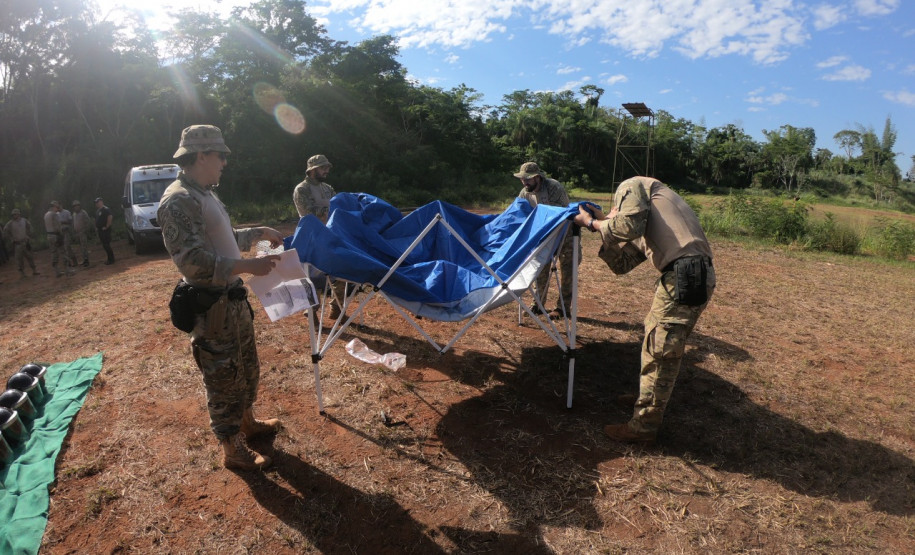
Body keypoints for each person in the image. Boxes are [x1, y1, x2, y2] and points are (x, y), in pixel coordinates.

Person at [158, 124, 284, 472]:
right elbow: (192, 261)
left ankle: (248, 423)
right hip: (212, 306)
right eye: (221, 155)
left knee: (245, 367)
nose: (225, 162)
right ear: (201, 155)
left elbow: (222, 238)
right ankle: (232, 448)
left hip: (232, 300)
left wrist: (258, 233)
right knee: (223, 378)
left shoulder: (204, 193)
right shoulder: (178, 199)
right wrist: (249, 266)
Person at [572, 176, 715, 444]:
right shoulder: (654, 213)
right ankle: (647, 399)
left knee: (660, 353)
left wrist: (592, 223)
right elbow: (623, 264)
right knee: (656, 347)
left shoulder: (633, 185)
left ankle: (644, 427)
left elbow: (626, 226)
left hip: (685, 274)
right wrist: (604, 227)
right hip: (688, 273)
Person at [514, 162, 579, 316]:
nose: (524, 182)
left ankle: (562, 308)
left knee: (568, 271)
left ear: (537, 177)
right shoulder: (525, 193)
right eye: (522, 179)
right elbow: (519, 213)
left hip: (565, 233)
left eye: (527, 179)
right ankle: (538, 305)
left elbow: (559, 214)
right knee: (540, 270)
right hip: (543, 235)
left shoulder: (553, 187)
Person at [293, 154, 345, 319]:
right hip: (311, 238)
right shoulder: (302, 189)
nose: (326, 170)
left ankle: (337, 308)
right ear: (312, 170)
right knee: (312, 277)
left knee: (342, 272)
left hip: (330, 235)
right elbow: (309, 213)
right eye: (323, 167)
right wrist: (332, 211)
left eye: (327, 167)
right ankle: (311, 313)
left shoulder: (328, 188)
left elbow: (339, 205)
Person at [3, 208, 39, 278]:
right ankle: (22, 273)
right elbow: (5, 231)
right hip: (17, 244)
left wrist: (28, 235)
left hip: (25, 242)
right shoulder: (10, 223)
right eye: (13, 215)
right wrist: (11, 238)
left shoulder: (24, 220)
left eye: (15, 214)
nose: (14, 216)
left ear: (18, 214)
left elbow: (30, 227)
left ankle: (34, 270)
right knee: (19, 259)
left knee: (30, 257)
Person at [44, 200, 65, 277]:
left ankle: (57, 271)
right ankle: (67, 269)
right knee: (63, 252)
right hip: (56, 235)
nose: (58, 209)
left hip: (49, 236)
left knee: (54, 253)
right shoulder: (54, 214)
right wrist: (61, 234)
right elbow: (58, 226)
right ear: (54, 207)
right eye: (57, 207)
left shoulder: (46, 214)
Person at [94, 197, 115, 265]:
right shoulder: (98, 211)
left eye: (97, 202)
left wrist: (107, 226)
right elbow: (96, 220)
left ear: (101, 202)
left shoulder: (106, 209)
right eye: (96, 203)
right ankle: (109, 258)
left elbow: (110, 217)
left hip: (105, 230)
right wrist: (96, 227)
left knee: (106, 244)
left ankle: (111, 259)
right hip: (100, 230)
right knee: (104, 245)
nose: (96, 204)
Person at [71, 200, 91, 267]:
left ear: (79, 206)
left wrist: (85, 230)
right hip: (77, 233)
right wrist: (74, 232)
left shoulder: (83, 212)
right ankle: (84, 259)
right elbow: (73, 223)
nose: (76, 207)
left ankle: (86, 260)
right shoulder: (74, 214)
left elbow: (88, 221)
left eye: (77, 205)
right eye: (74, 206)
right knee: (81, 247)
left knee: (84, 247)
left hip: (82, 232)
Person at [58, 202, 77, 267]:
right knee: (63, 248)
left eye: (59, 206)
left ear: (61, 205)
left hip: (66, 231)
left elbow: (70, 221)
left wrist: (63, 222)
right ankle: (68, 262)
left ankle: (74, 261)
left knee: (68, 247)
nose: (58, 208)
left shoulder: (66, 212)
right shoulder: (57, 214)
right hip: (60, 233)